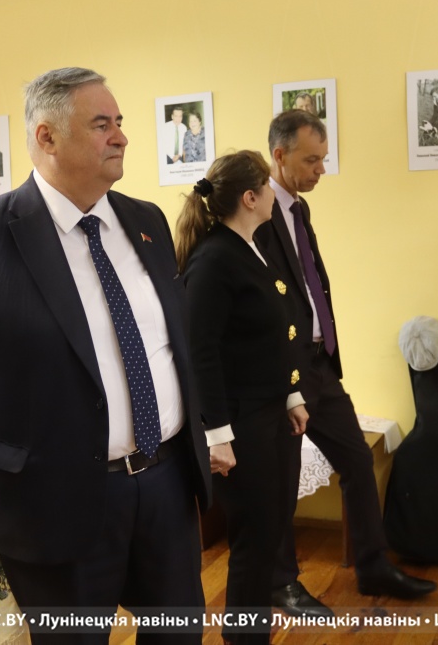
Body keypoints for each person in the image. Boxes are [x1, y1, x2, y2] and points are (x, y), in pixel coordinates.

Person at [0, 67, 211, 644]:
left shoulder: (145, 220)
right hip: (54, 502)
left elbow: (171, 345)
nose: (121, 137)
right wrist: (20, 442)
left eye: (119, 122)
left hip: (165, 484)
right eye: (101, 125)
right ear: (46, 137)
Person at [254, 110, 438, 618]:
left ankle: (373, 566)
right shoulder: (257, 211)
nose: (321, 170)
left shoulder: (299, 209)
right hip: (283, 372)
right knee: (283, 478)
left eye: (323, 159)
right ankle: (281, 583)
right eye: (311, 160)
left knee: (356, 459)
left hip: (319, 364)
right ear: (279, 155)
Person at [175, 151, 308, 644]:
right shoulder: (214, 259)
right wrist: (216, 435)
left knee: (270, 531)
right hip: (240, 424)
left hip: (269, 413)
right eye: (268, 186)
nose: (274, 193)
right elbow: (201, 354)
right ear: (250, 198)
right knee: (255, 539)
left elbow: (269, 335)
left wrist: (291, 394)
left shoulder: (250, 247)